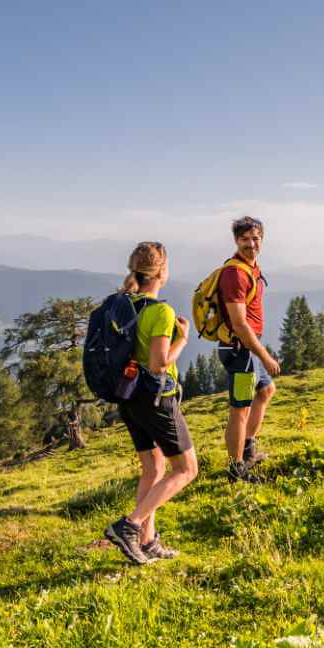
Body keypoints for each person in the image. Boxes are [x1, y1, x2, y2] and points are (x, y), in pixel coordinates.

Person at [101, 241, 198, 564]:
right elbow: (158, 364)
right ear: (162, 272)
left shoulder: (125, 305)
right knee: (186, 469)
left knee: (154, 468)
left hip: (129, 398)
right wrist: (182, 339)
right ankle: (129, 526)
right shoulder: (160, 312)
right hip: (157, 399)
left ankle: (147, 542)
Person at [215, 214, 280, 479]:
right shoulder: (234, 274)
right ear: (236, 241)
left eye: (255, 238)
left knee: (265, 391)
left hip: (248, 349)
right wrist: (264, 356)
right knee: (239, 409)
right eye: (245, 239)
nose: (251, 244)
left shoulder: (251, 268)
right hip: (238, 350)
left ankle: (248, 449)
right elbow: (240, 325)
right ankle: (236, 468)